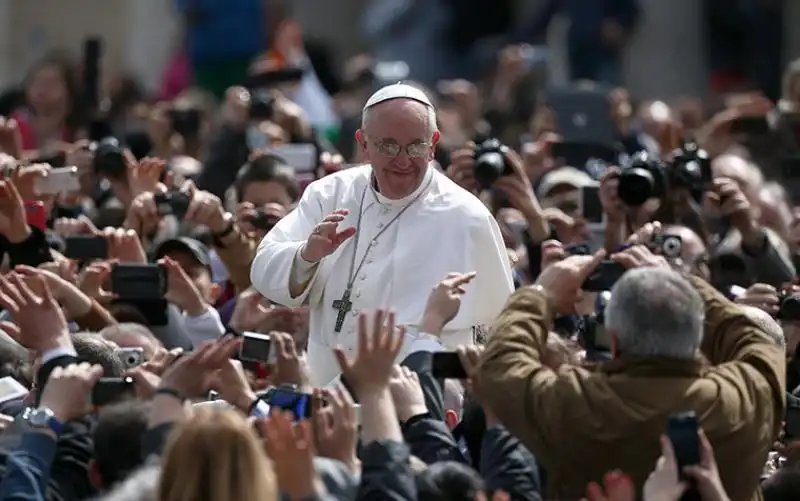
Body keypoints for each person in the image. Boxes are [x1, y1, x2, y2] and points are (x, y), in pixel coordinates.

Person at [250, 83, 513, 385]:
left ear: (434, 143)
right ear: (363, 143)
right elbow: (263, 268)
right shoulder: (330, 194)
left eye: (416, 146)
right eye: (388, 146)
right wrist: (307, 256)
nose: (403, 160)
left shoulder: (467, 217)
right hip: (329, 389)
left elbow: (498, 327)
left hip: (420, 399)